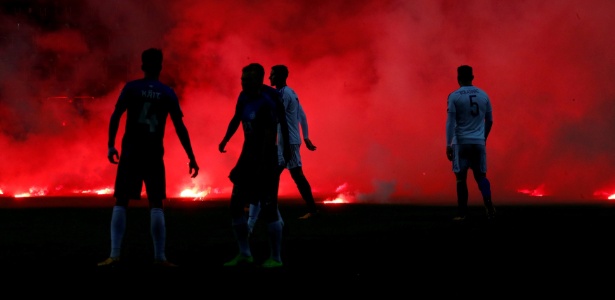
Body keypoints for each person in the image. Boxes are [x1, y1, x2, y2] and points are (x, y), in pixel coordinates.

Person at [98, 48, 200, 267]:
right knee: (156, 204)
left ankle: (114, 254)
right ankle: (160, 257)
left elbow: (116, 115)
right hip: (154, 153)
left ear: (142, 65)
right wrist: (191, 156)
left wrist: (110, 145)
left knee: (121, 202)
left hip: (131, 152)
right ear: (160, 66)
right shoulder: (167, 92)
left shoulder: (132, 88)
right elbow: (180, 127)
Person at [218, 63, 291, 268]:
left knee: (269, 208)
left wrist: (271, 161)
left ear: (258, 80)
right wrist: (225, 139)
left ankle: (276, 258)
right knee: (235, 206)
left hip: (265, 158)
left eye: (247, 80)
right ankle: (244, 253)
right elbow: (236, 118)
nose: (243, 83)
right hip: (247, 157)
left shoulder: (268, 101)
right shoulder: (243, 96)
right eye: (242, 79)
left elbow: (271, 135)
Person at [247, 65, 318, 232]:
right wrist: (306, 137)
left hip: (288, 141)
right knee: (285, 174)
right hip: (289, 140)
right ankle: (264, 207)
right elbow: (302, 114)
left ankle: (262, 208)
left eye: (271, 75)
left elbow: (278, 118)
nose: (269, 78)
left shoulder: (284, 95)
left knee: (282, 174)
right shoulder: (291, 92)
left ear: (278, 77)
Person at [445, 65, 495, 221]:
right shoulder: (484, 95)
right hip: (479, 142)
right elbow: (490, 120)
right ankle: (488, 205)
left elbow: (450, 121)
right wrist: (483, 137)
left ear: (458, 78)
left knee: (461, 178)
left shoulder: (454, 96)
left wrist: (448, 143)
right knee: (481, 176)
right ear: (472, 77)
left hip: (461, 142)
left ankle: (462, 213)